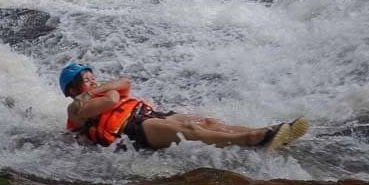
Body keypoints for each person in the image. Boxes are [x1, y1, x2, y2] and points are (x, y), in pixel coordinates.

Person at [60, 63, 309, 150]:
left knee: (208, 122)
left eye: (92, 76)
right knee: (189, 130)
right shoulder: (76, 110)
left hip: (147, 116)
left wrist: (94, 88)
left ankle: (271, 132)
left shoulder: (93, 92)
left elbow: (125, 82)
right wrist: (100, 91)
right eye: (85, 79)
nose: (92, 81)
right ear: (72, 91)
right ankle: (255, 139)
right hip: (131, 131)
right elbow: (113, 99)